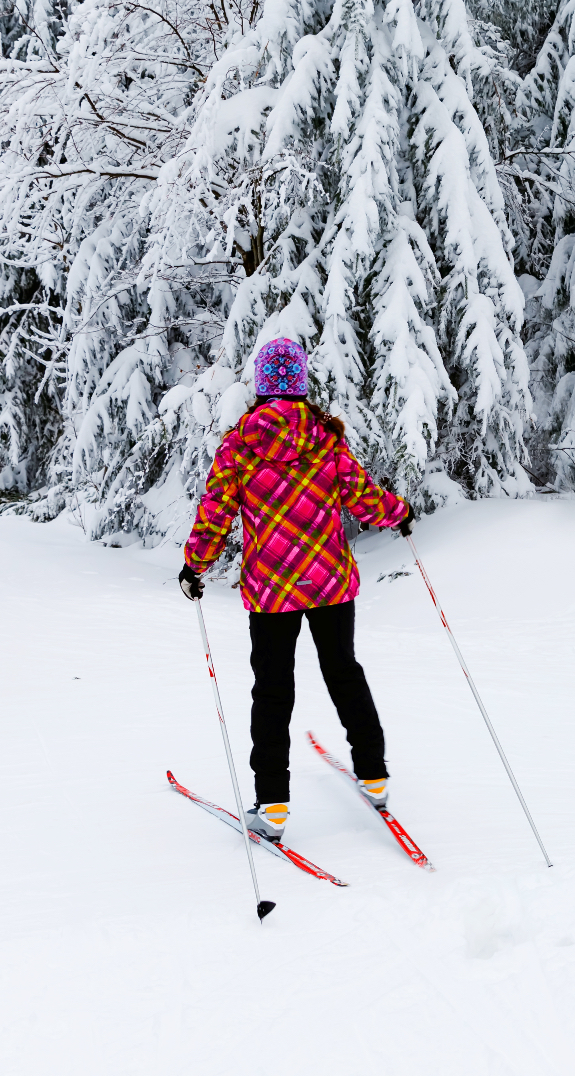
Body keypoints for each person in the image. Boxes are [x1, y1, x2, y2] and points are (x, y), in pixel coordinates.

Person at [179, 338, 413, 845]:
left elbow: (216, 511)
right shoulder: (326, 438)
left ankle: (273, 804)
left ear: (262, 385)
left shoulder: (239, 443)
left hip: (272, 591)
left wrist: (195, 564)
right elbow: (363, 497)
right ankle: (373, 774)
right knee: (344, 674)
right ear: (302, 383)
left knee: (272, 690)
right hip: (329, 582)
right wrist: (401, 514)